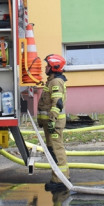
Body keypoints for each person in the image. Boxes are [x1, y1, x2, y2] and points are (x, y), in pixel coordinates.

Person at [37, 54, 69, 193]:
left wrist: (52, 120)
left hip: (53, 124)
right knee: (52, 151)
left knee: (57, 151)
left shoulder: (56, 82)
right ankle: (56, 178)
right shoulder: (51, 81)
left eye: (48, 65)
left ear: (54, 67)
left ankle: (61, 180)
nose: (45, 67)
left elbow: (58, 103)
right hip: (50, 124)